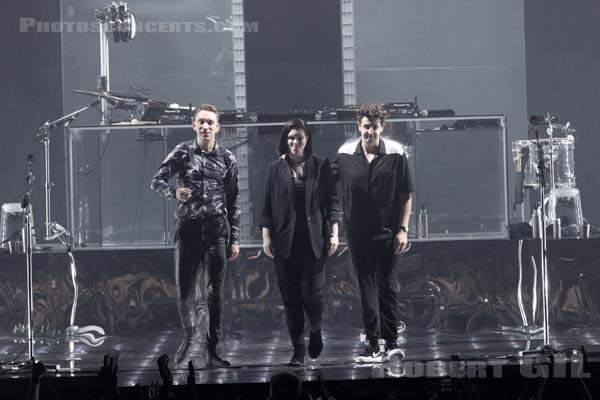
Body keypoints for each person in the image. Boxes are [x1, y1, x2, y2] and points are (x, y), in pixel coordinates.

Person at [151, 103, 240, 368]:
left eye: (210, 122)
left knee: (214, 294)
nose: (205, 126)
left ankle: (212, 350)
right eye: (201, 122)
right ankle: (190, 338)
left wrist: (234, 238)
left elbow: (234, 201)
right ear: (193, 125)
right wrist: (174, 192)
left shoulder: (227, 159)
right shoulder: (182, 153)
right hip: (188, 230)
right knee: (185, 292)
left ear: (217, 127)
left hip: (216, 230)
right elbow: (157, 181)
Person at [332, 103, 413, 363]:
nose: (370, 131)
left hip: (388, 234)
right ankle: (373, 344)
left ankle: (391, 343)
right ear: (359, 126)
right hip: (357, 236)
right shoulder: (344, 154)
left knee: (387, 287)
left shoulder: (396, 153)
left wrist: (403, 229)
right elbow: (329, 187)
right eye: (366, 126)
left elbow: (406, 194)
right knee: (365, 289)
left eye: (374, 127)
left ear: (382, 127)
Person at [261, 119, 340, 366]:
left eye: (300, 138)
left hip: (314, 241)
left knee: (312, 294)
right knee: (291, 298)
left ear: (307, 140)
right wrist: (266, 236)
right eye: (291, 138)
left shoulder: (320, 165)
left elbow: (332, 201)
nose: (295, 143)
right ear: (285, 140)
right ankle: (298, 348)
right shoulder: (275, 168)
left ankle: (315, 330)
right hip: (285, 242)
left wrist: (334, 232)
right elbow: (267, 207)